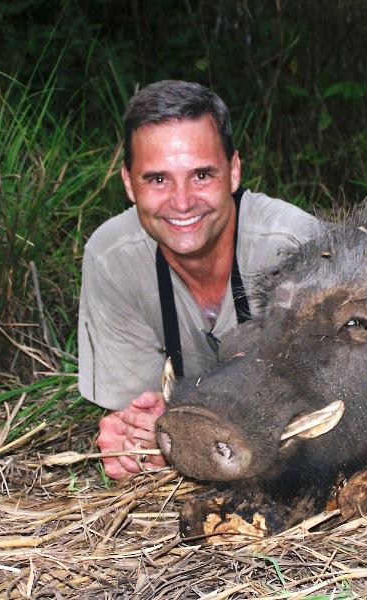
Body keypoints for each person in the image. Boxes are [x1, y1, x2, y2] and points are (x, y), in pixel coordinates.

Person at [78, 80, 318, 480]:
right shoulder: (112, 259)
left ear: (234, 171)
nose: (183, 201)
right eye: (157, 179)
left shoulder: (297, 247)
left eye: (202, 175)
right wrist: (139, 435)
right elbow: (139, 410)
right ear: (127, 183)